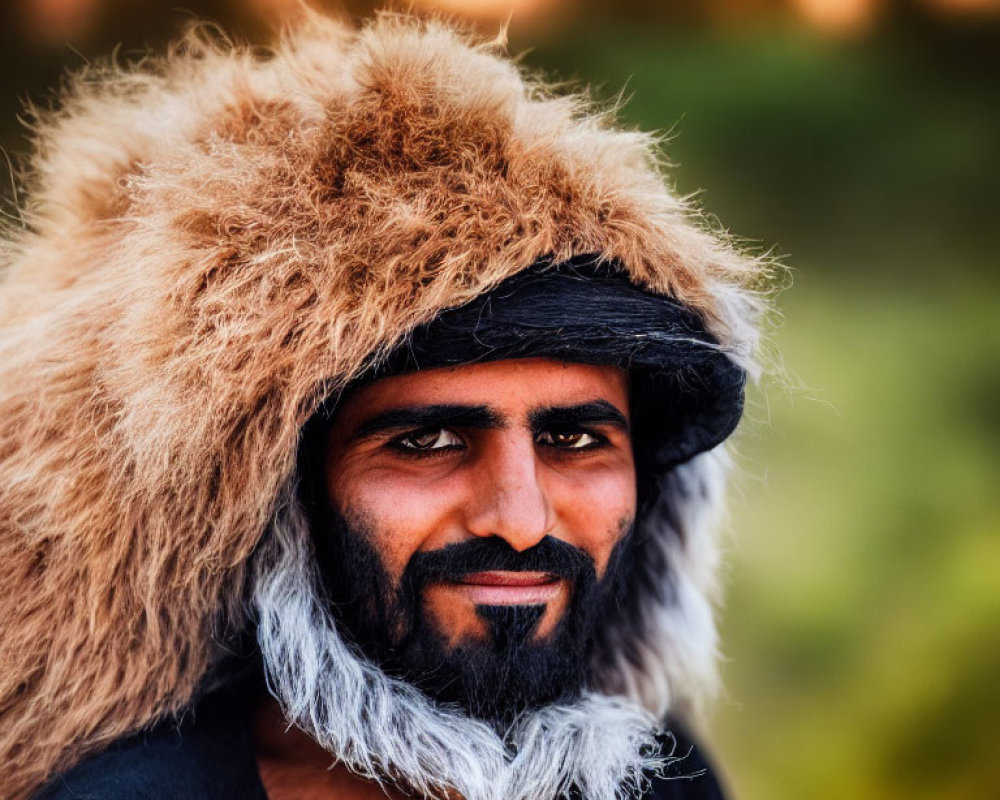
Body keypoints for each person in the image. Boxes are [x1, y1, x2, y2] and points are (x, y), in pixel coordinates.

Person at [0, 11, 769, 800]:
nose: (522, 519)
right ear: (286, 500)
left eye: (573, 437)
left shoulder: (663, 779)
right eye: (429, 440)